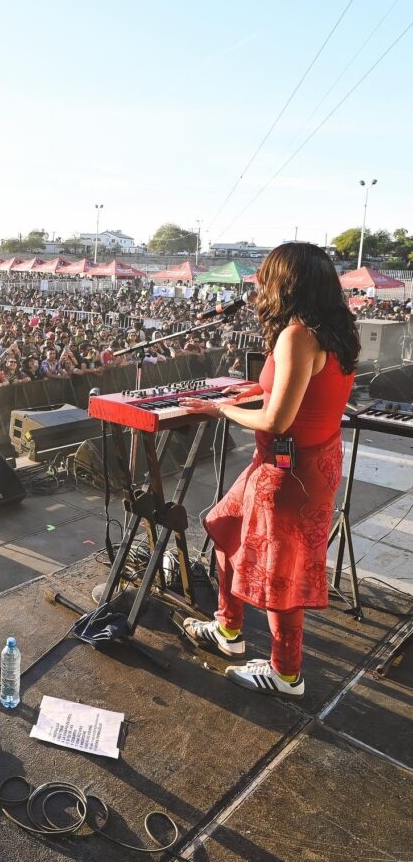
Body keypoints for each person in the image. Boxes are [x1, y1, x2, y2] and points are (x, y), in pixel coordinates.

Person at [179, 243, 359, 699]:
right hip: (311, 461)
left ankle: (286, 674)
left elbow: (277, 420)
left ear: (286, 282)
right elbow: (307, 400)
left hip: (288, 472)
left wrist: (221, 408)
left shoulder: (298, 335)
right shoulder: (338, 331)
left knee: (282, 573)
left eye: (267, 278)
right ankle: (228, 630)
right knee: (224, 526)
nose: (259, 286)